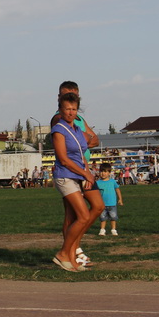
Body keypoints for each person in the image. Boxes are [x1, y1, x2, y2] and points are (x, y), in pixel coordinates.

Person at [50, 81, 103, 266]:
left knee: (97, 207)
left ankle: (72, 251)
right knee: (74, 216)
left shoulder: (78, 125)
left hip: (82, 172)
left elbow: (94, 140)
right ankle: (69, 252)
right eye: (67, 105)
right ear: (60, 103)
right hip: (68, 173)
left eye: (74, 106)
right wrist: (84, 172)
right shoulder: (59, 123)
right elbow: (64, 157)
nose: (71, 110)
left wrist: (87, 173)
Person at [96, 163, 123, 236]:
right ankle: (102, 230)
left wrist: (120, 199)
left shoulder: (112, 182)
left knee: (113, 217)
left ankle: (113, 229)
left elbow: (117, 190)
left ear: (109, 173)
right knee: (102, 218)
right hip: (102, 204)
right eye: (101, 171)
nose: (103, 173)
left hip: (112, 203)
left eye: (105, 171)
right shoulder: (97, 183)